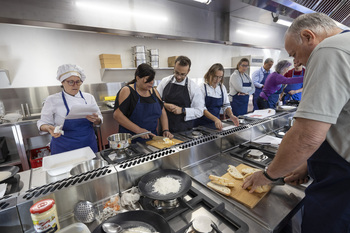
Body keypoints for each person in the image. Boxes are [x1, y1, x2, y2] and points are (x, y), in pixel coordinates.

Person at [242, 13, 350, 233]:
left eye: (295, 55)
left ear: (309, 36)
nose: (297, 62)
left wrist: (268, 175)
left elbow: (307, 137)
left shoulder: (330, 49)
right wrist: (308, 165)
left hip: (342, 185)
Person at [37, 64, 103, 154]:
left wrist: (97, 120)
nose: (75, 85)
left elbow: (99, 119)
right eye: (71, 82)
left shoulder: (89, 97)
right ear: (62, 82)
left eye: (78, 82)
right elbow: (42, 122)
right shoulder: (52, 100)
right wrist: (48, 128)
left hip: (88, 144)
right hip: (64, 147)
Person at [113, 63, 173, 140]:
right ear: (138, 78)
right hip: (132, 139)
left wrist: (165, 130)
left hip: (152, 138)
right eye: (147, 80)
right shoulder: (127, 90)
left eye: (152, 79)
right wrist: (139, 130)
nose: (151, 82)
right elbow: (117, 115)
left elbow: (162, 111)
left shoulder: (154, 91)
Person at [157, 56, 204, 133]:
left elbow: (199, 111)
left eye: (182, 74)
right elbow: (155, 101)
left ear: (188, 71)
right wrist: (165, 105)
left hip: (184, 130)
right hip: (164, 129)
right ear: (174, 68)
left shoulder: (193, 87)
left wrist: (182, 110)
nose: (178, 77)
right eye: (176, 72)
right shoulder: (165, 81)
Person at [194, 63, 239, 130]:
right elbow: (202, 109)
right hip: (201, 124)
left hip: (216, 124)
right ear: (210, 74)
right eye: (215, 77)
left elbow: (226, 105)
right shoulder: (202, 88)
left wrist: (231, 115)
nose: (217, 80)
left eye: (220, 77)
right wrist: (215, 119)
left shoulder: (221, 88)